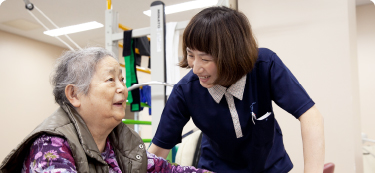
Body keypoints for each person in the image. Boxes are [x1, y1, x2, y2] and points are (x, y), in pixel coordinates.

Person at [148, 6, 325, 173]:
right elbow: (157, 152)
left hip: (270, 166)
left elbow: (310, 115)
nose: (195, 68)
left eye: (205, 59)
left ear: (232, 56)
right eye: (191, 55)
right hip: (216, 168)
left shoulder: (265, 65)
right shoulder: (186, 91)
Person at [0, 47, 213, 173]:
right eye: (111, 80)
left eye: (122, 79)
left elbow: (166, 170)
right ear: (74, 95)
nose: (123, 88)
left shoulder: (121, 141)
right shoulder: (50, 146)